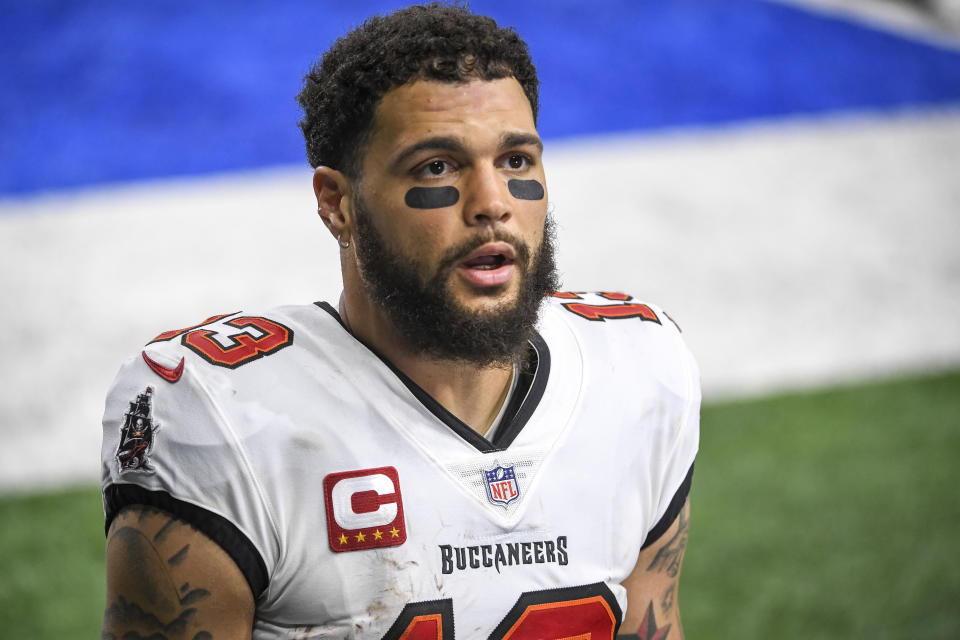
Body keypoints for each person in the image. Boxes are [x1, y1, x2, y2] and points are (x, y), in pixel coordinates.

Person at [99, 4, 700, 638]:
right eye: (437, 166)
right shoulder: (220, 414)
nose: (493, 203)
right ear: (338, 203)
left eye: (516, 161)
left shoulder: (637, 368)